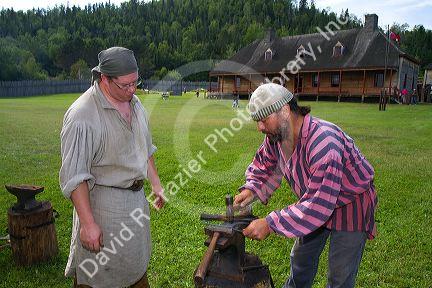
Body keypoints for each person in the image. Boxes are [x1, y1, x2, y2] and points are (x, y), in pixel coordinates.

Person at [234, 83, 378, 288]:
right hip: (315, 201)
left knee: (340, 276)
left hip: (350, 205)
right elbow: (265, 166)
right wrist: (251, 189)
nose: (260, 128)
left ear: (284, 110)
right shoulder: (277, 138)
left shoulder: (323, 144)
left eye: (264, 120)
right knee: (300, 260)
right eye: (257, 121)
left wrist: (270, 223)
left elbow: (317, 206)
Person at [60, 47, 165, 288]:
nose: (132, 90)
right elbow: (75, 176)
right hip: (103, 212)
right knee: (99, 277)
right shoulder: (82, 115)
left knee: (135, 271)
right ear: (104, 78)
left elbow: (145, 148)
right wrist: (88, 224)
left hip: (135, 207)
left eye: (135, 83)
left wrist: (156, 183)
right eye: (125, 85)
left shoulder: (135, 104)